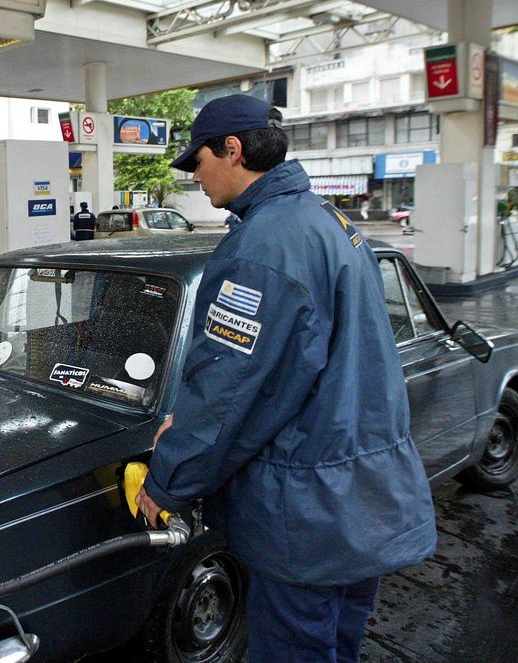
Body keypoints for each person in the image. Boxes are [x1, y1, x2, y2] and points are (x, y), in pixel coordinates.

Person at [135, 95, 436, 662]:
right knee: (336, 643)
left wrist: (167, 480)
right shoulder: (327, 221)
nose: (194, 178)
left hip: (307, 512)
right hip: (358, 500)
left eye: (196, 162)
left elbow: (229, 393)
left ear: (233, 149)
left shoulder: (265, 247)